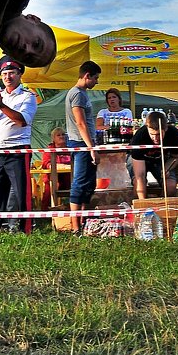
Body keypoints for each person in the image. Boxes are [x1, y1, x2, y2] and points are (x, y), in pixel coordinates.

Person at [0, 56, 38, 233]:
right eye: (4, 74)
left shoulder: (27, 97)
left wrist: (1, 105)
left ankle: (25, 228)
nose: (8, 77)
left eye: (12, 73)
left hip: (18, 149)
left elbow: (22, 121)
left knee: (21, 192)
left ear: (20, 74)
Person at [65, 60, 103, 229]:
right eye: (95, 78)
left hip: (86, 142)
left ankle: (83, 223)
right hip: (81, 143)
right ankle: (75, 227)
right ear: (87, 76)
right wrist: (91, 148)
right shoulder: (77, 94)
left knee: (89, 184)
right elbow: (81, 123)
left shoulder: (82, 93)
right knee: (79, 182)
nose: (97, 81)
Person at [129, 110, 178, 200]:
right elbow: (140, 176)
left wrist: (167, 168)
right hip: (139, 159)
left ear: (165, 129)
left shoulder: (174, 134)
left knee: (170, 185)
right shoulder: (139, 137)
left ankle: (162, 207)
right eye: (152, 134)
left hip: (160, 158)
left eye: (158, 134)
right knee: (137, 184)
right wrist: (142, 203)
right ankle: (141, 209)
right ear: (147, 128)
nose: (155, 138)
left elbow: (176, 157)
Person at [37, 127, 73, 205]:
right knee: (51, 185)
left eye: (63, 134)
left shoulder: (71, 148)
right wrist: (55, 165)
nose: (61, 136)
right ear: (53, 138)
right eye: (58, 135)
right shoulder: (50, 149)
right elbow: (46, 163)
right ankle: (47, 211)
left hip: (69, 176)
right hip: (54, 176)